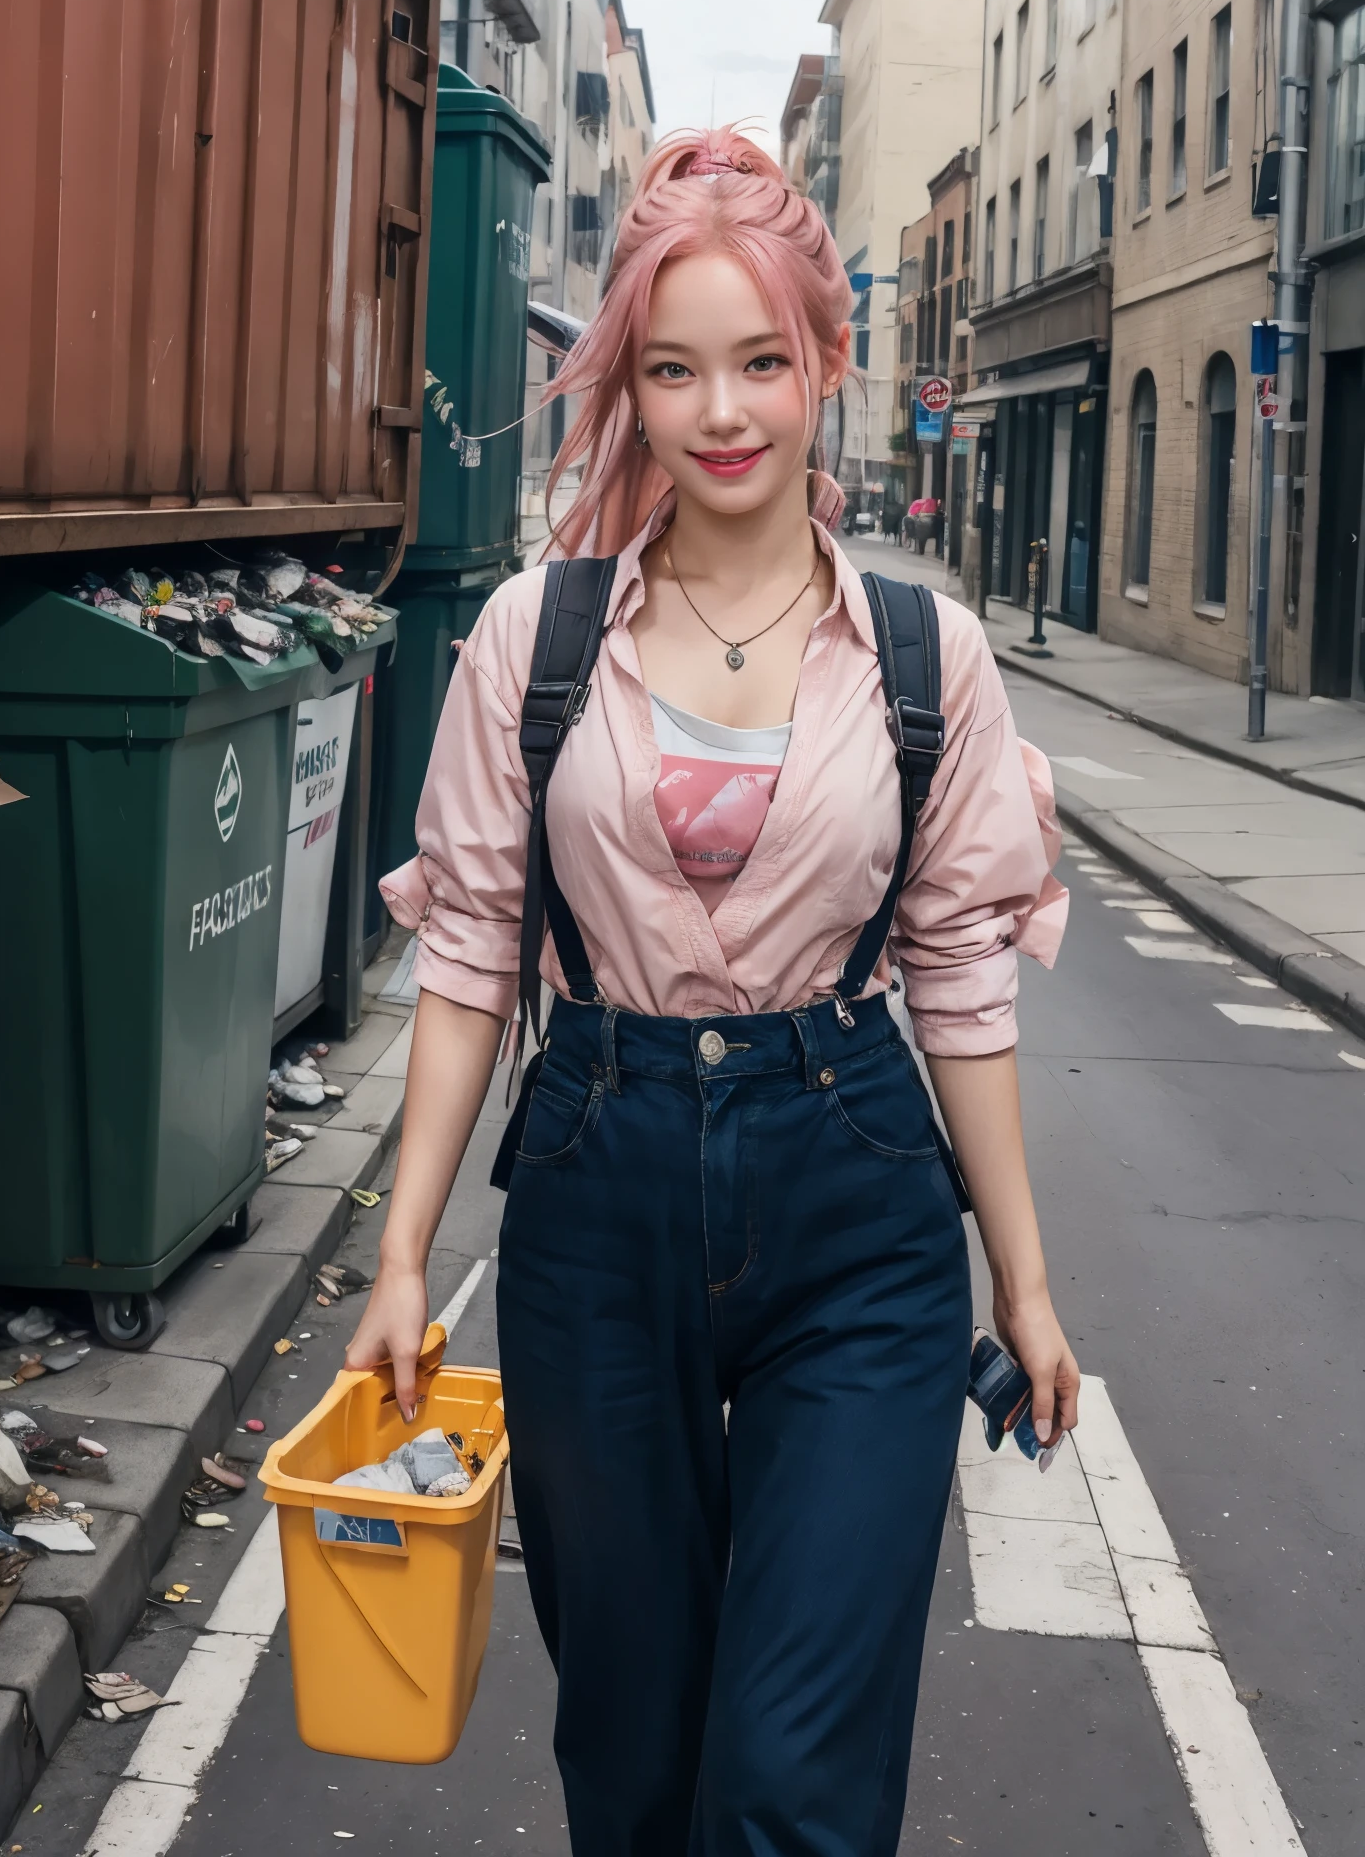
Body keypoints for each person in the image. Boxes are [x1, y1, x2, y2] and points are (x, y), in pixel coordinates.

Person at [349, 127, 1076, 1855]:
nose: (723, 409)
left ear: (829, 362)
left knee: (786, 1785)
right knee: (634, 1758)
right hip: (597, 1196)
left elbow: (962, 976)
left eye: (762, 361)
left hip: (859, 1212)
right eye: (675, 368)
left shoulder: (926, 657)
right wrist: (397, 1257)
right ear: (631, 385)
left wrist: (1027, 1287)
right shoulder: (540, 636)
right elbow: (469, 954)